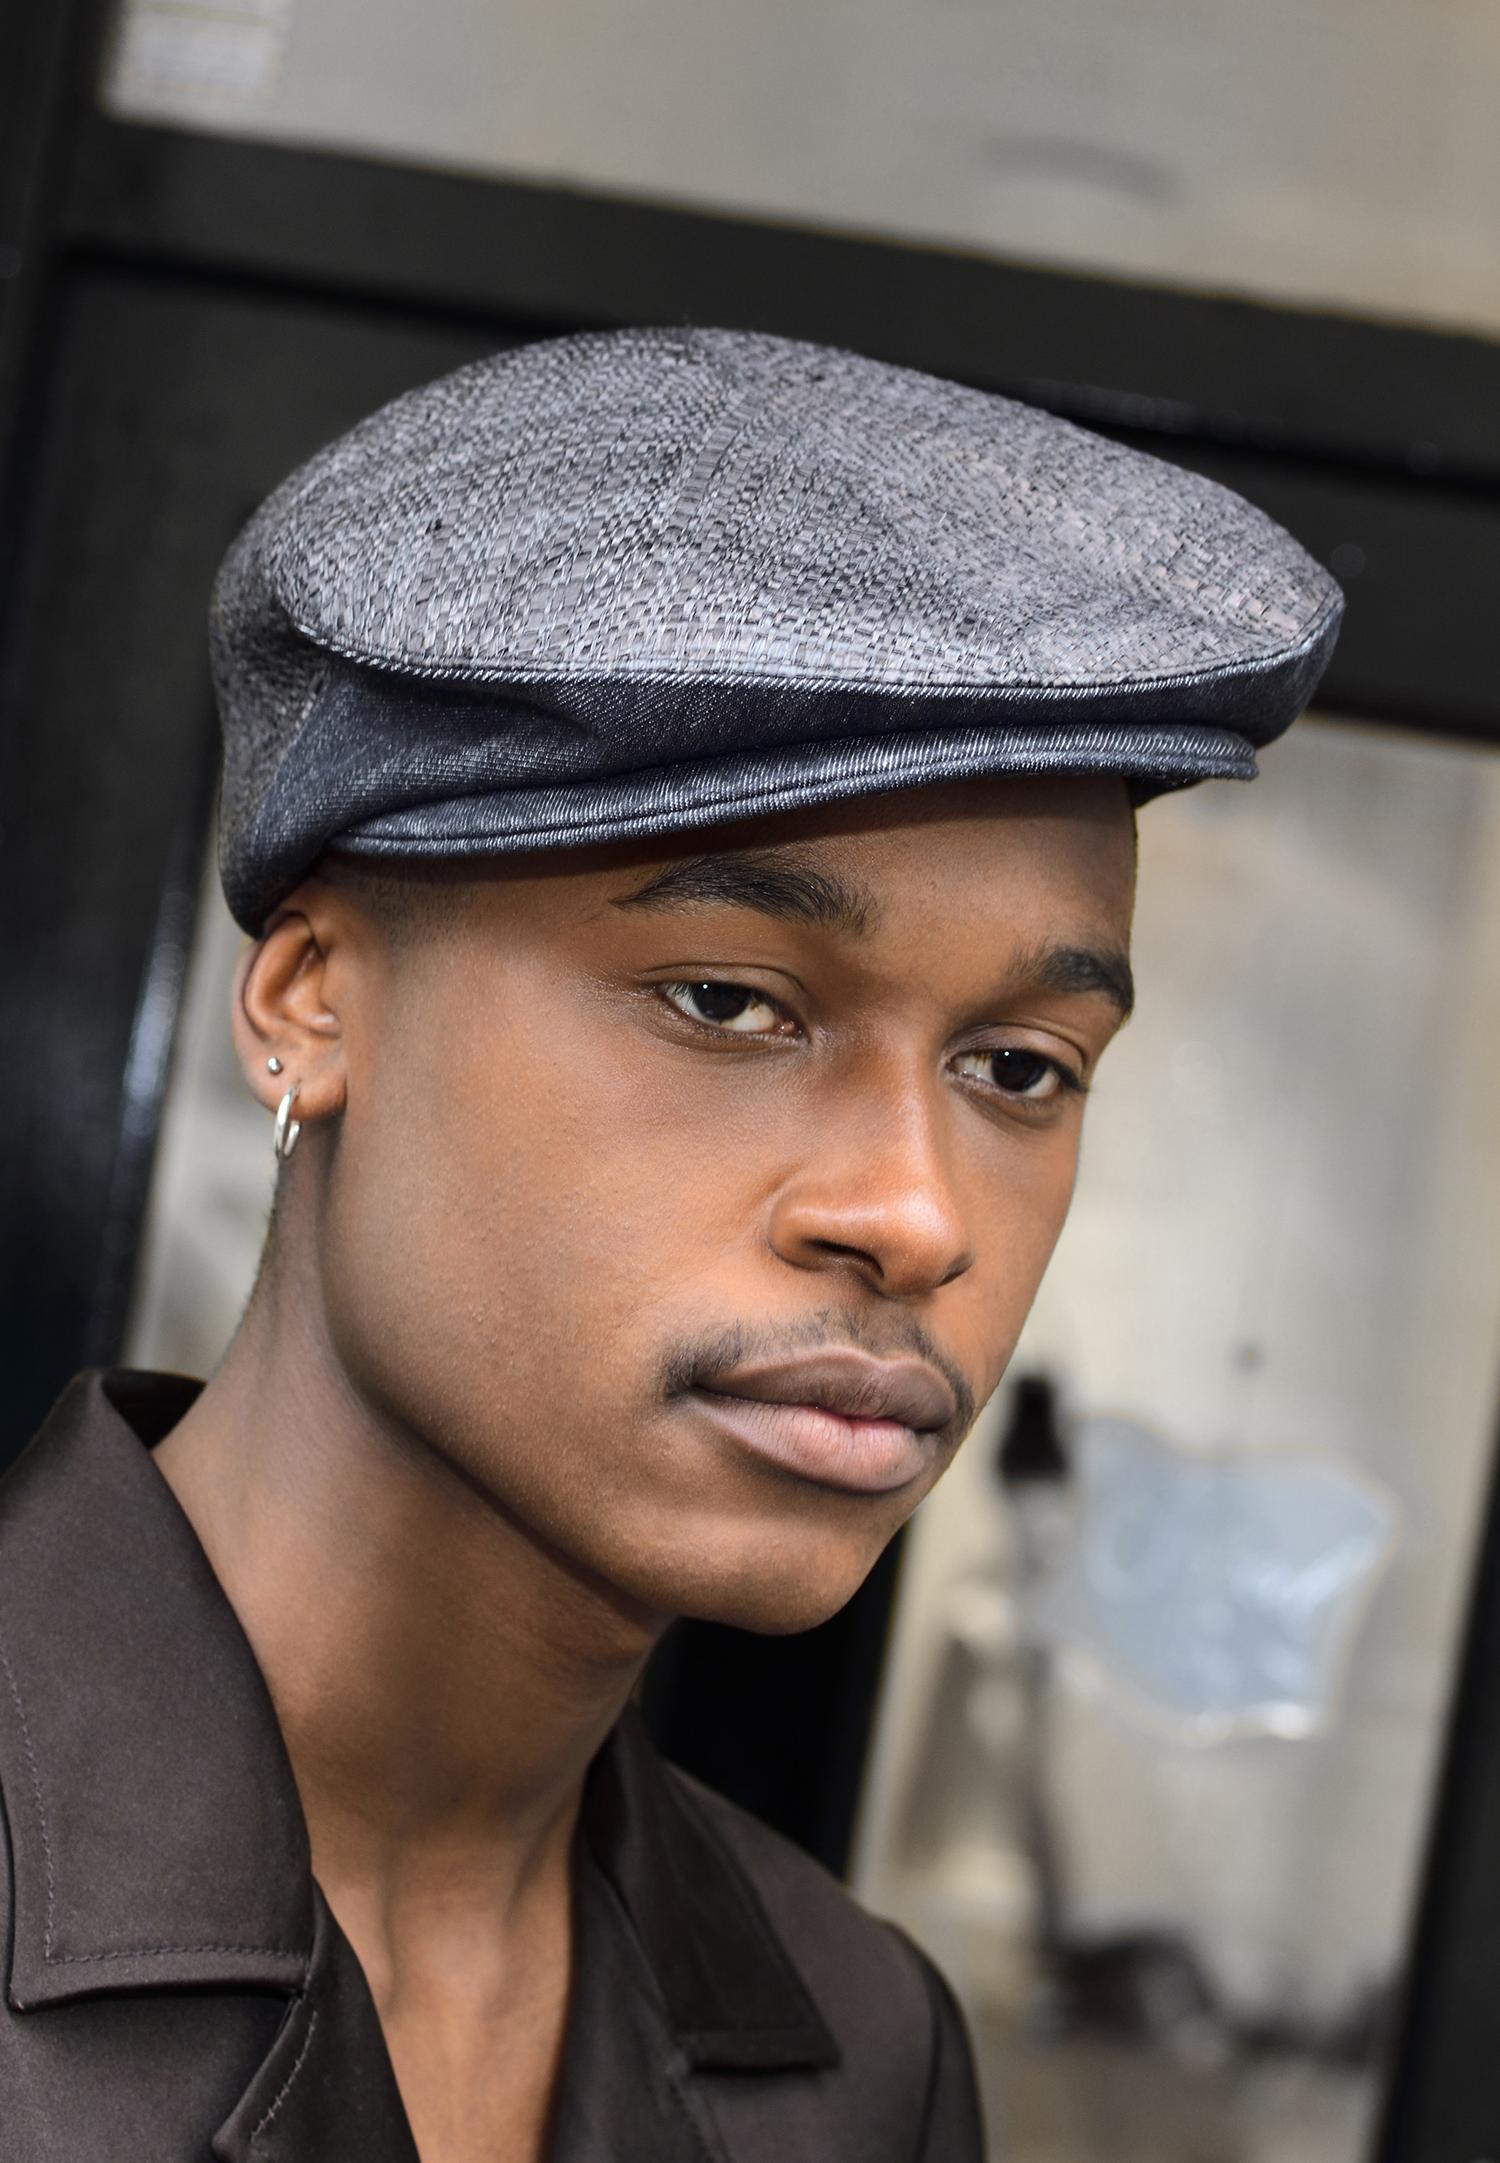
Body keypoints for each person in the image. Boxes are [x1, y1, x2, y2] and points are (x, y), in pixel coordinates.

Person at [0, 327, 1340, 2162]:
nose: (916, 1216)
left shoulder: (859, 2054)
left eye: (1020, 1067)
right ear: (311, 997)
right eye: (726, 1000)